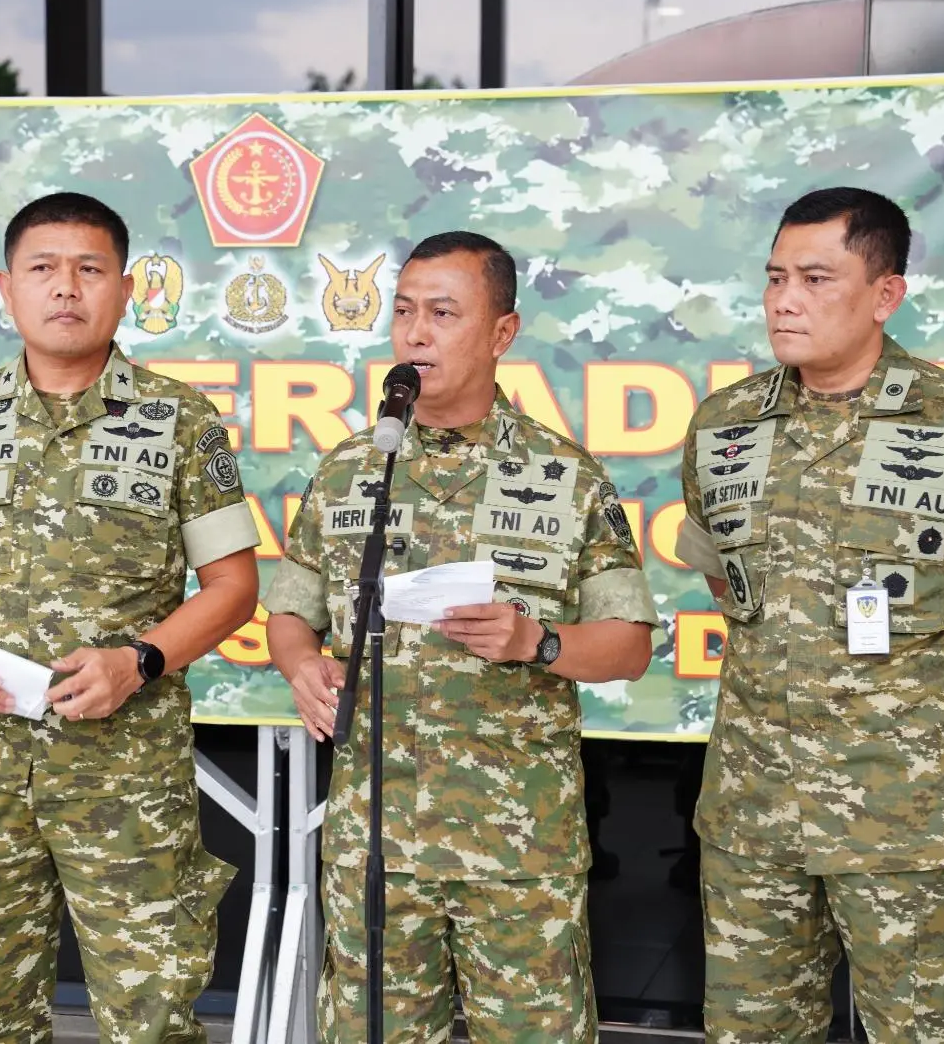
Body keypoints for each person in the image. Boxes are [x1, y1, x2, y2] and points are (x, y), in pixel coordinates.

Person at [675, 186, 944, 1043]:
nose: (785, 299)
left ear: (885, 293)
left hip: (903, 821)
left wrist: (899, 686)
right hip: (753, 819)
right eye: (776, 277)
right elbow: (726, 586)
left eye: (817, 278)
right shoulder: (725, 425)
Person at [0, 191, 260, 1043]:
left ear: (124, 291)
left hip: (126, 781)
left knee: (150, 1015)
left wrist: (143, 660)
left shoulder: (178, 420)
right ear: (5, 289)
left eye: (89, 270)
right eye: (42, 269)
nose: (66, 288)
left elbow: (234, 586)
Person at [263, 230, 659, 1042]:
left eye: (443, 313)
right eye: (404, 311)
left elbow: (628, 643)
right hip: (375, 846)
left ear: (502, 334)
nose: (415, 333)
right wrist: (303, 665)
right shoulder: (349, 469)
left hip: (517, 853)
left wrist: (536, 643)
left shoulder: (566, 476)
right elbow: (289, 612)